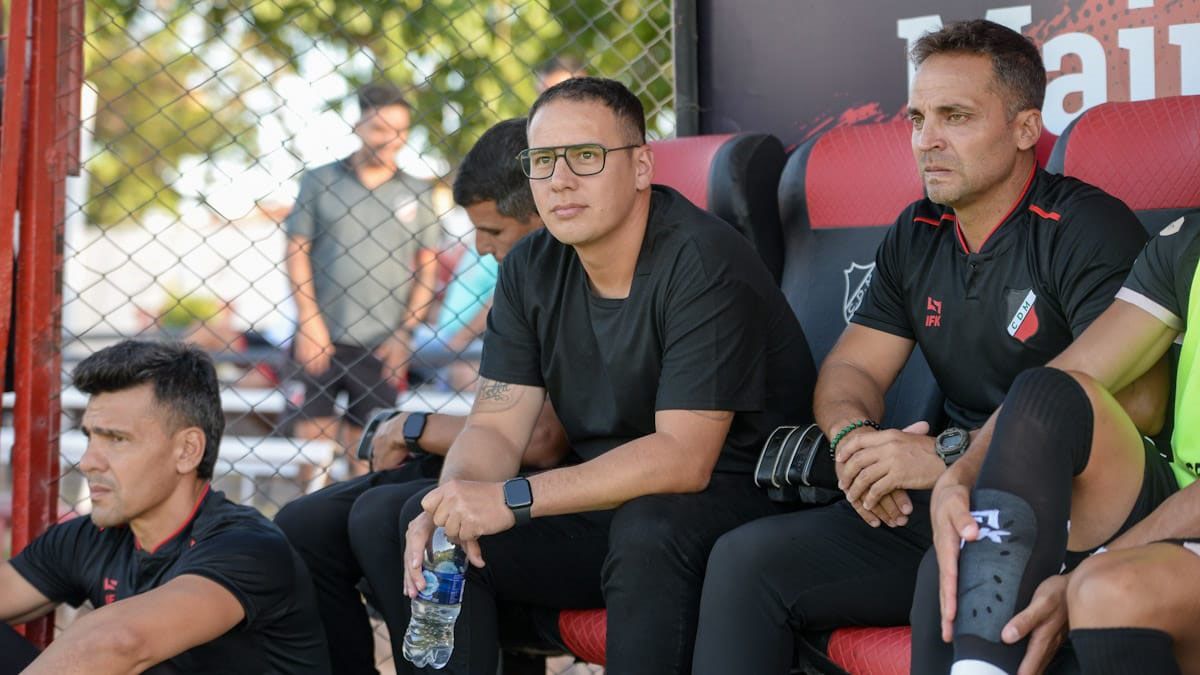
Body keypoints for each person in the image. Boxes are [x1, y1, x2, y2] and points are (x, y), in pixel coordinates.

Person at [691, 20, 1164, 675]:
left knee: (946, 576)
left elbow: (1139, 403)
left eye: (956, 116)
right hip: (946, 488)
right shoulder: (919, 231)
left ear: (1026, 128)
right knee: (745, 561)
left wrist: (945, 454)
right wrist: (856, 446)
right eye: (917, 118)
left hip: (1066, 507)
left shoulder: (1084, 227)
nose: (927, 140)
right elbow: (851, 366)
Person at [361, 76, 815, 675]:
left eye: (585, 157)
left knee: (649, 527)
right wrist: (457, 498)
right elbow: (497, 428)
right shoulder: (530, 265)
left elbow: (683, 459)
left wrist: (512, 498)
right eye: (543, 160)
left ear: (641, 166)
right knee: (430, 526)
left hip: (741, 497)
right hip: (612, 494)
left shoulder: (702, 260)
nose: (560, 180)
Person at [275, 118, 568, 675]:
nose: (481, 249)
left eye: (495, 232)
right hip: (500, 456)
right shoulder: (516, 282)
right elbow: (496, 417)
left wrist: (413, 427)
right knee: (302, 524)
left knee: (388, 514)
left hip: (558, 477)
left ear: (543, 212)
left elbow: (543, 440)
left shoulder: (571, 272)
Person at [916, 211, 1200, 675]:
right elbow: (1068, 375)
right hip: (1176, 496)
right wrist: (960, 473)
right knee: (1042, 393)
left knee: (1104, 591)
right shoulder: (1190, 239)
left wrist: (1088, 570)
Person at [0, 340, 330, 674]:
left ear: (187, 450)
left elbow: (119, 641)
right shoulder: (92, 537)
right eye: (90, 437)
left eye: (116, 439)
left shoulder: (247, 547)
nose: (87, 462)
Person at [284, 82, 441, 476]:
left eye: (400, 131)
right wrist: (309, 320)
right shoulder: (319, 181)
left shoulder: (418, 192)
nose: (390, 140)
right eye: (380, 129)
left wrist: (405, 333)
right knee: (311, 454)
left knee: (370, 460)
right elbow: (296, 251)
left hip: (381, 345)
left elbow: (427, 267)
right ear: (358, 125)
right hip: (323, 336)